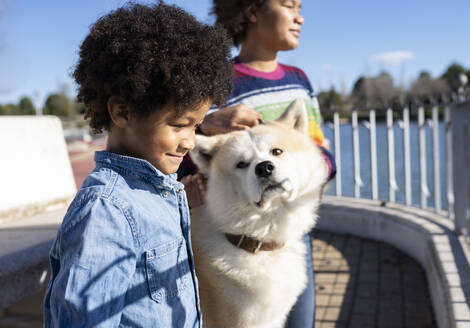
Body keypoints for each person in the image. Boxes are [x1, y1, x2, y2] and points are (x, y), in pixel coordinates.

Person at [43, 3, 232, 327]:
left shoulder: (154, 190)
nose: (189, 141)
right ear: (123, 112)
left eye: (195, 126)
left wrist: (182, 202)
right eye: (178, 124)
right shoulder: (105, 212)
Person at [181, 0, 336, 327]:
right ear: (252, 11)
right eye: (288, 5)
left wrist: (318, 173)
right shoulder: (219, 84)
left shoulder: (299, 79)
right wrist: (208, 123)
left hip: (292, 229)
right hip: (241, 236)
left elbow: (318, 144)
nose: (300, 17)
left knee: (300, 320)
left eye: (300, 7)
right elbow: (184, 146)